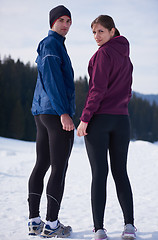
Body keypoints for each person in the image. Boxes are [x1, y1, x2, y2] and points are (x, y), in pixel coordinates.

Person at [77, 15, 136, 240]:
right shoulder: (126, 57)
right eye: (93, 32)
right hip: (122, 120)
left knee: (100, 174)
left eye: (101, 31)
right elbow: (128, 91)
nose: (96, 37)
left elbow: (97, 91)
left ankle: (99, 229)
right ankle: (129, 226)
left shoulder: (103, 54)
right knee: (121, 172)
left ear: (112, 31)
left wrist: (85, 119)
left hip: (100, 121)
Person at [28, 5, 75, 238]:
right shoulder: (52, 45)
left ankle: (35, 222)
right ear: (52, 22)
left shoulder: (53, 45)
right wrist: (63, 112)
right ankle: (52, 225)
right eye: (61, 20)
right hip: (54, 113)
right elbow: (53, 81)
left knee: (43, 165)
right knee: (58, 168)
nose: (65, 25)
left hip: (42, 112)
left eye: (68, 21)